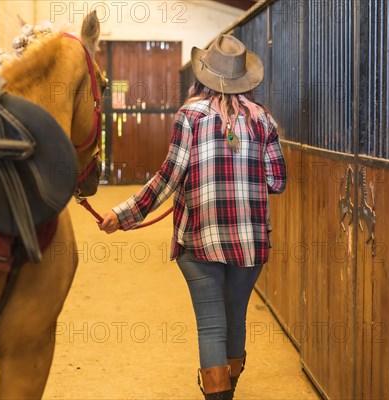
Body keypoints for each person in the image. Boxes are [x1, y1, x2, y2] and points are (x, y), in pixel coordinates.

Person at [98, 34, 286, 400]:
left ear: (203, 75)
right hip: (250, 244)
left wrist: (121, 215)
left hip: (200, 241)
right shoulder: (264, 120)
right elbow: (277, 181)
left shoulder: (191, 115)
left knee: (211, 325)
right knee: (236, 319)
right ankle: (230, 386)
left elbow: (169, 177)